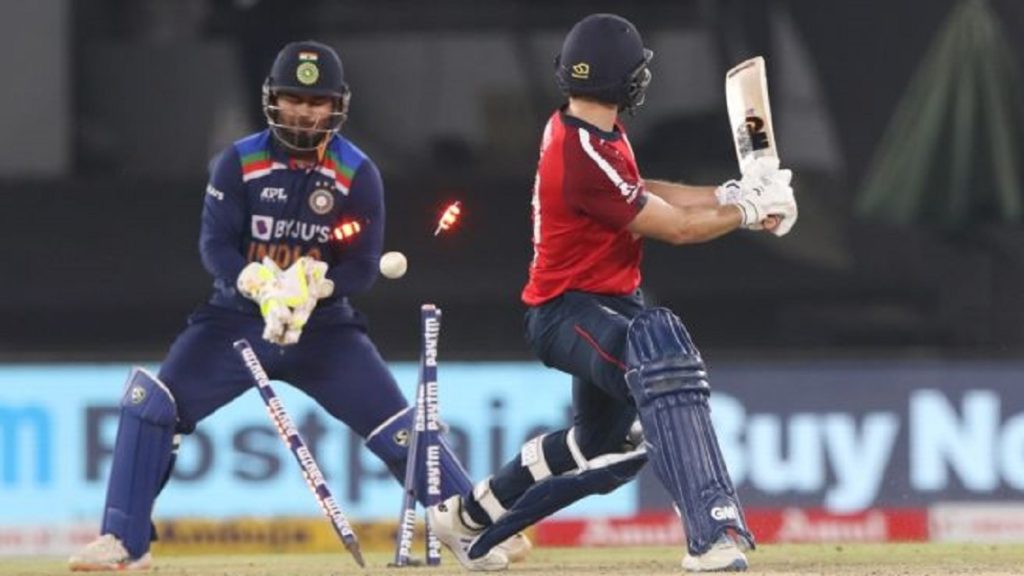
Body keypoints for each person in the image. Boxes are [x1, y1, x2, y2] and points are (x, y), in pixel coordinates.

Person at [68, 40, 524, 572]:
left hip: (324, 331)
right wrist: (256, 282)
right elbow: (215, 245)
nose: (304, 112)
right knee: (151, 405)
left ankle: (480, 527)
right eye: (294, 99)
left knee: (402, 428)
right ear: (273, 100)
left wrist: (317, 288)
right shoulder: (239, 162)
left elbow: (362, 265)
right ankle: (124, 543)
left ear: (336, 106)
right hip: (236, 324)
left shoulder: (356, 172)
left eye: (316, 101)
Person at [427, 13, 796, 573]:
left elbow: (640, 190)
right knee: (664, 367)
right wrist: (747, 211)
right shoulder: (582, 153)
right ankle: (711, 536)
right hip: (567, 310)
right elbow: (676, 228)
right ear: (626, 80)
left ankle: (465, 519)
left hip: (602, 303)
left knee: (597, 444)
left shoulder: (586, 130)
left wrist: (729, 194)